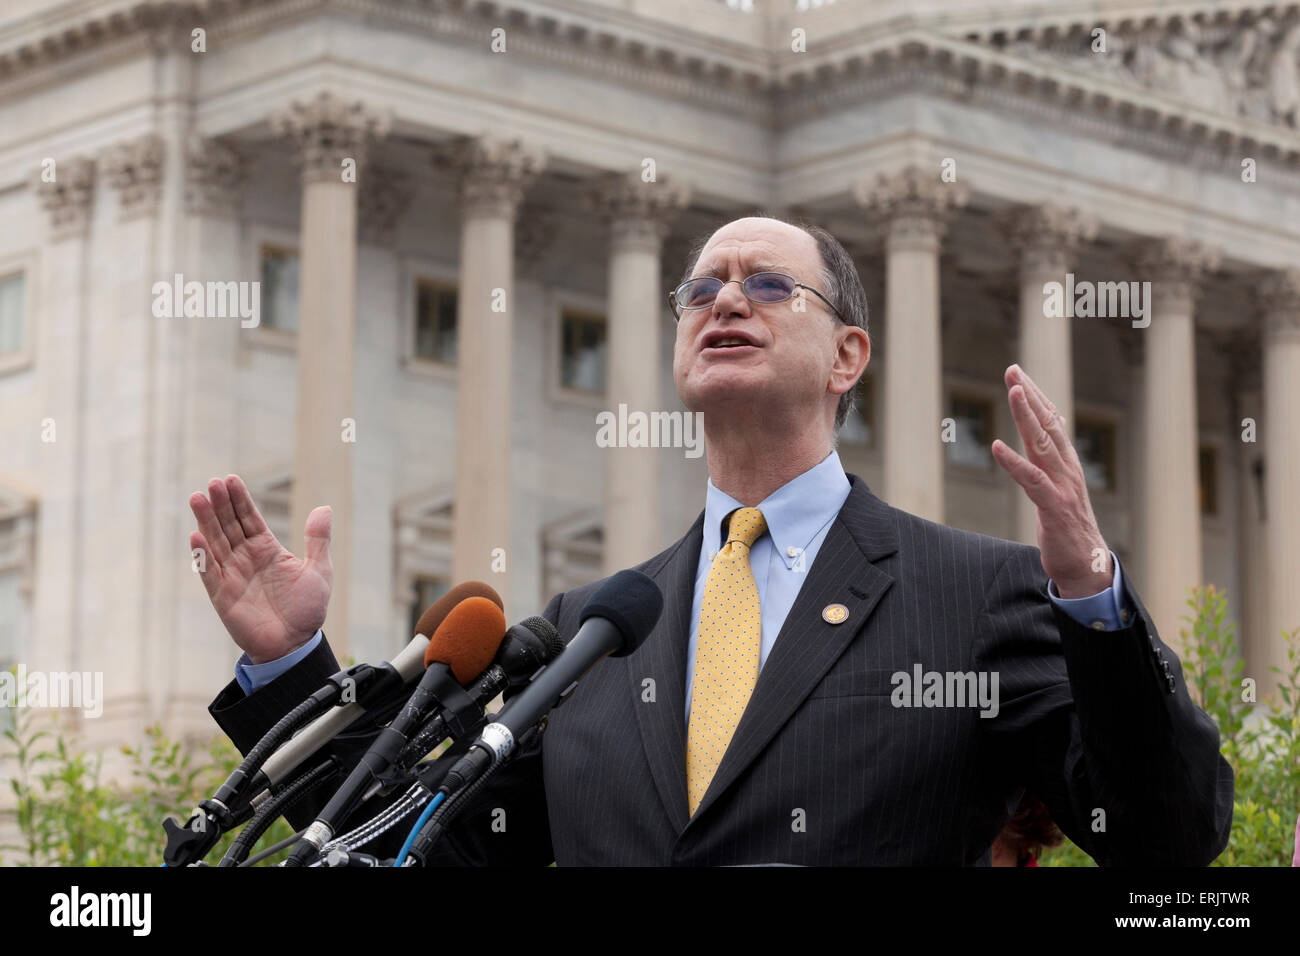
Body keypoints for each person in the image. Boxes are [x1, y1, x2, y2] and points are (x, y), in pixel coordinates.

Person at [195, 216, 1234, 865]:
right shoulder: (592, 634)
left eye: (768, 284)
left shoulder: (975, 595)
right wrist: (292, 664)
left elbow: (1165, 840)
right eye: (702, 288)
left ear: (846, 354)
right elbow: (407, 842)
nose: (726, 298)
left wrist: (1091, 591)